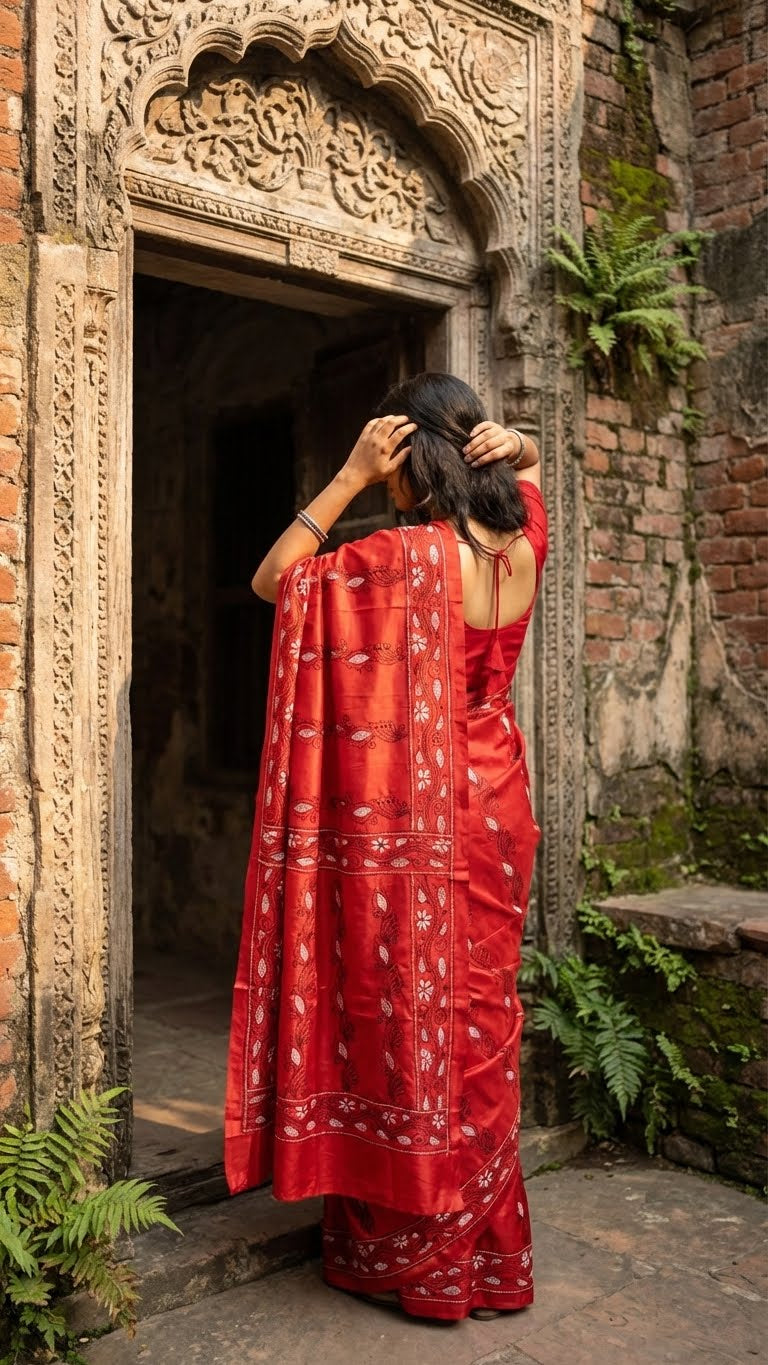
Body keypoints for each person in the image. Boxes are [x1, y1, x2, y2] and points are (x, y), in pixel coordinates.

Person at [225, 373, 548, 1323]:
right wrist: (520, 444)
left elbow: (273, 579)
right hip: (501, 805)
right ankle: (489, 1254)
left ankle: (421, 1254)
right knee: (481, 1021)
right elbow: (534, 474)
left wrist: (347, 477)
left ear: (408, 464)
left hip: (424, 817)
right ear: (477, 447)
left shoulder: (401, 555)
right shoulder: (525, 541)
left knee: (410, 1019)